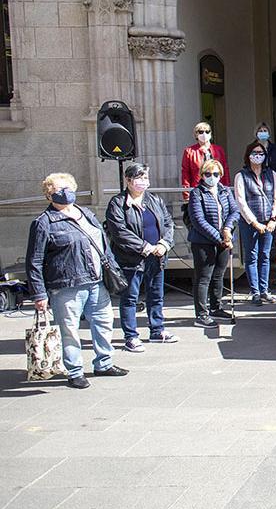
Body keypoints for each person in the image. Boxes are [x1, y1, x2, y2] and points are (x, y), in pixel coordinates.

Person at [26, 173, 129, 389]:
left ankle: (104, 363)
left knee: (104, 322)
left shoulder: (86, 213)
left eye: (67, 187)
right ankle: (75, 371)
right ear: (49, 195)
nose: (64, 192)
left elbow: (103, 243)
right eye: (57, 190)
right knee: (70, 330)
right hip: (66, 286)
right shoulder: (44, 223)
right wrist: (39, 294)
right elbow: (34, 261)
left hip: (96, 281)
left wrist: (112, 266)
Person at [106, 163, 176, 352]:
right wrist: (144, 247)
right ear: (128, 180)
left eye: (145, 177)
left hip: (157, 257)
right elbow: (119, 232)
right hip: (132, 259)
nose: (143, 182)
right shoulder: (117, 203)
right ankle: (131, 336)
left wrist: (164, 244)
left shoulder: (154, 200)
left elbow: (168, 223)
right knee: (130, 298)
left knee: (156, 295)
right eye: (138, 178)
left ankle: (157, 329)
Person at [187, 159, 237, 329]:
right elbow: (198, 220)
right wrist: (220, 238)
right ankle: (201, 314)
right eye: (208, 174)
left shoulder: (225, 191)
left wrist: (228, 229)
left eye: (215, 174)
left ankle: (216, 307)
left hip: (224, 240)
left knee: (218, 275)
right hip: (203, 242)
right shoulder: (197, 193)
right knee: (203, 278)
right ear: (202, 175)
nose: (212, 177)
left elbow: (234, 211)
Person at [234, 141, 276, 305]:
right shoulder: (241, 176)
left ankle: (264, 290)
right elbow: (241, 201)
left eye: (261, 153)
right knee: (252, 256)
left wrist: (273, 219)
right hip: (250, 223)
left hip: (268, 222)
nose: (258, 155)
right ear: (248, 155)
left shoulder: (272, 174)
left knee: (265, 255)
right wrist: (254, 222)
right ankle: (255, 291)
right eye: (254, 152)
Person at [181, 121, 230, 205]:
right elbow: (185, 173)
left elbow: (224, 170)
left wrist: (226, 189)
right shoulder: (189, 151)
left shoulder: (218, 150)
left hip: (217, 188)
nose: (204, 134)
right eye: (201, 132)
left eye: (207, 131)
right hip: (198, 189)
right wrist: (187, 194)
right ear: (196, 134)